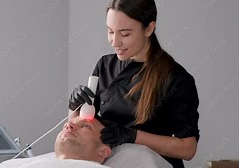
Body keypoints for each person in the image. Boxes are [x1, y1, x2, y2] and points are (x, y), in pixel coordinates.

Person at [68, 0, 200, 167]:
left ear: (150, 28)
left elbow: (188, 149)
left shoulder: (176, 79)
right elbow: (82, 126)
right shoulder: (105, 66)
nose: (114, 42)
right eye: (110, 31)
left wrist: (132, 136)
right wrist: (74, 107)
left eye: (125, 34)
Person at [0, 116, 112, 168]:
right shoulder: (11, 165)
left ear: (103, 150)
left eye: (86, 126)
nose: (69, 125)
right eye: (69, 123)